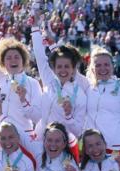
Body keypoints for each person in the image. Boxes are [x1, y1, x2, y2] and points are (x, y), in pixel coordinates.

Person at [30, 14, 86, 161]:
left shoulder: (79, 92)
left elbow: (78, 131)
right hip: (42, 139)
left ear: (73, 68)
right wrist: (35, 27)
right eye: (59, 66)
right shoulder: (49, 81)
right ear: (53, 68)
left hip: (66, 144)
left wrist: (68, 115)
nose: (63, 70)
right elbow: (40, 57)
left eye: (67, 66)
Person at [84, 47, 120, 156]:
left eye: (106, 64)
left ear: (112, 66)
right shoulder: (86, 87)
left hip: (115, 147)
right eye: (98, 65)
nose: (102, 68)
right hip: (91, 147)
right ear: (92, 68)